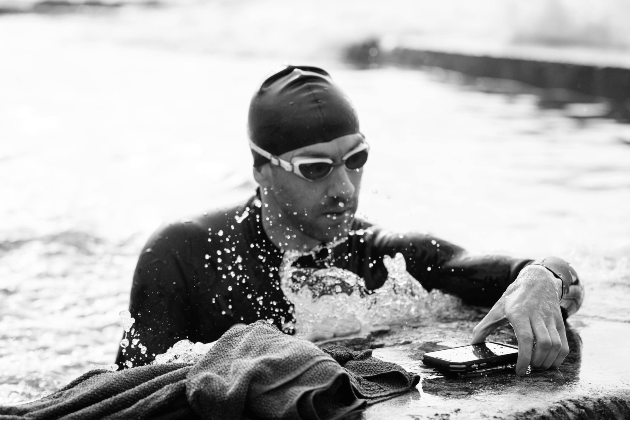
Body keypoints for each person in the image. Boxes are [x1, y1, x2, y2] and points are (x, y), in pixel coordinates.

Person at [115, 65, 584, 376]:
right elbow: (131, 391)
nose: (343, 187)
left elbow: (505, 270)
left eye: (355, 159)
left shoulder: (383, 257)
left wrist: (545, 276)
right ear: (261, 169)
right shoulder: (183, 254)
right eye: (315, 169)